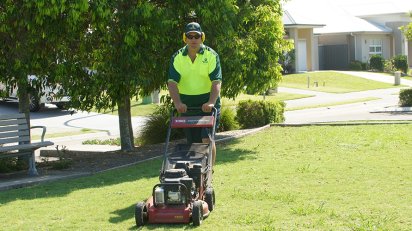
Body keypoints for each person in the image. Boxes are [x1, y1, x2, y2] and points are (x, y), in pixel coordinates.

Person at [167, 22, 222, 166]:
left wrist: (210, 102)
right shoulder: (177, 57)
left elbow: (216, 82)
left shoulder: (211, 55)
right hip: (187, 106)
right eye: (189, 36)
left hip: (208, 105)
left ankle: (209, 173)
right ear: (184, 38)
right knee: (192, 143)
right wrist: (178, 103)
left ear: (202, 37)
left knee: (206, 138)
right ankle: (196, 174)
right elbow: (172, 82)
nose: (193, 39)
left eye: (196, 36)